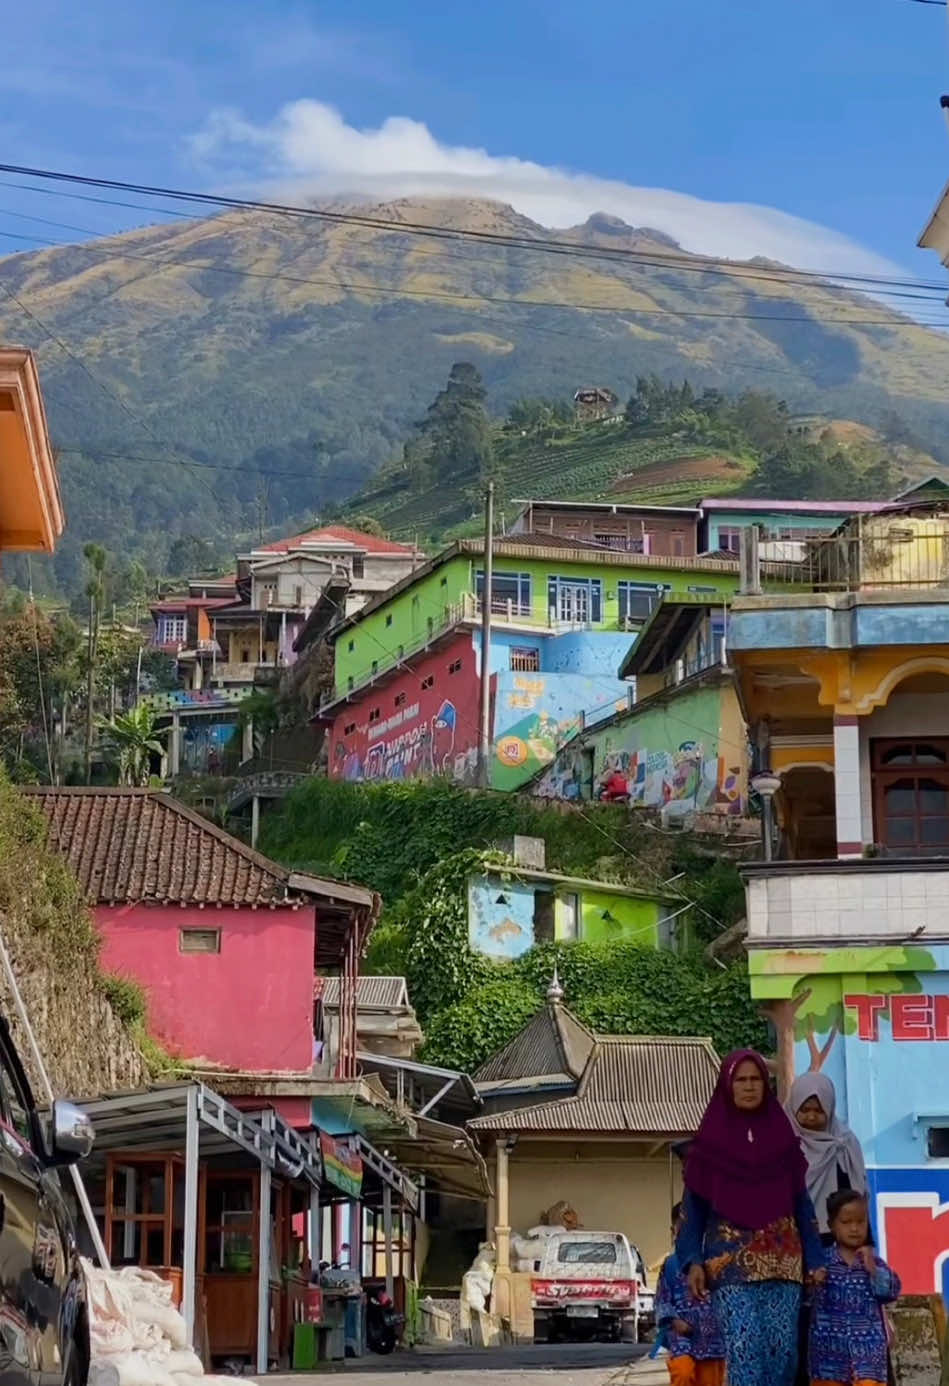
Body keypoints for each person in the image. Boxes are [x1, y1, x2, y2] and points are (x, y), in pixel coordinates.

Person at [676, 1049, 826, 1386]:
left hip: (783, 1264)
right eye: (740, 1080)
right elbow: (693, 1208)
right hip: (730, 1266)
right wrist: (692, 1261)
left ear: (765, 1083)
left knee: (782, 1352)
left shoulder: (782, 1136)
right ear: (728, 1086)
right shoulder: (709, 1142)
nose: (748, 1086)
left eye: (755, 1079)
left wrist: (815, 1257)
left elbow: (802, 1203)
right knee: (744, 1348)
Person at [808, 1189, 900, 1386]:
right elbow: (806, 1300)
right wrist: (812, 1280)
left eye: (860, 1222)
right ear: (832, 1226)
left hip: (869, 1360)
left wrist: (874, 1270)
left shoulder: (874, 1263)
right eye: (846, 1222)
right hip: (828, 1360)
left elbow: (892, 1292)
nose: (855, 1228)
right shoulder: (821, 1262)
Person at [788, 1072, 867, 1245]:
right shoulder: (781, 1142)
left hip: (838, 1241)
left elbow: (858, 1194)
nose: (811, 1116)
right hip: (792, 1239)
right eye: (805, 1110)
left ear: (829, 1109)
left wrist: (866, 1243)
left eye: (819, 1110)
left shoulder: (845, 1142)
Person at [655, 1204, 725, 1386]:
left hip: (714, 1340)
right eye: (683, 1227)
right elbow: (662, 1300)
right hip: (681, 1336)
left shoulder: (717, 1263)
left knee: (710, 1381)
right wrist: (674, 1321)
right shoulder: (670, 1265)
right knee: (682, 1373)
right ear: (673, 1230)